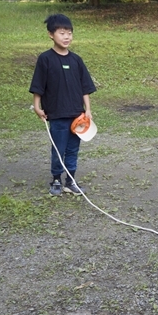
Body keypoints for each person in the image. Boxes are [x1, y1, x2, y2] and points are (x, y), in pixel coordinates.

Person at [29, 14, 97, 197]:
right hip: (56, 114)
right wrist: (37, 106)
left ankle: (71, 181)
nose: (67, 37)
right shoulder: (45, 59)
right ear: (51, 34)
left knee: (73, 149)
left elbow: (85, 87)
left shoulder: (76, 60)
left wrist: (88, 110)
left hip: (77, 115)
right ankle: (57, 180)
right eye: (62, 33)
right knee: (58, 148)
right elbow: (38, 85)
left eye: (69, 33)